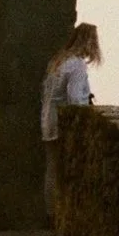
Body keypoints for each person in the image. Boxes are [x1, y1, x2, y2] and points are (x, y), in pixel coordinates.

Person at [41, 22, 100, 217]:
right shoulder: (77, 65)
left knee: (52, 170)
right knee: (66, 173)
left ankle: (51, 215)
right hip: (64, 126)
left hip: (48, 122)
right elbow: (75, 99)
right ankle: (64, 216)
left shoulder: (57, 61)